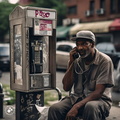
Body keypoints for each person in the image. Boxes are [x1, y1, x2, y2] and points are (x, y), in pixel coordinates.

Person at [48, 30, 114, 120]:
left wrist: (76, 107)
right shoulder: (77, 62)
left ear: (93, 45)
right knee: (54, 109)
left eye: (84, 44)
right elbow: (66, 87)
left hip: (99, 100)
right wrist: (71, 62)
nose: (80, 48)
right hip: (77, 98)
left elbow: (98, 92)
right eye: (77, 44)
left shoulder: (105, 61)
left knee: (90, 107)